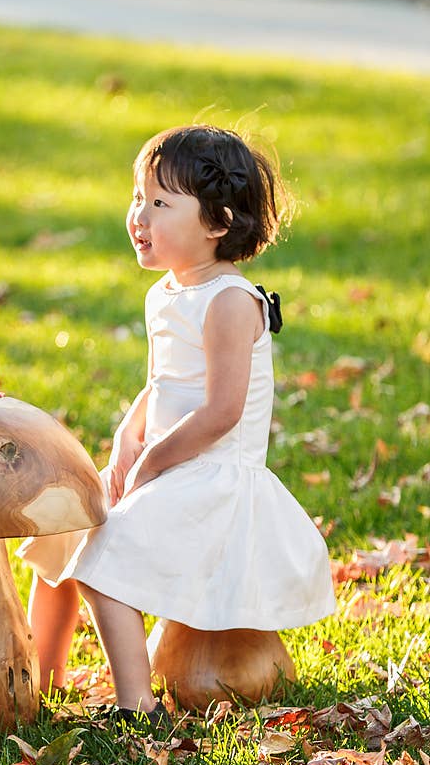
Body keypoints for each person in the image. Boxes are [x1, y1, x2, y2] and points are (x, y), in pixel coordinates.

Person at [18, 124, 335, 727]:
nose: (139, 215)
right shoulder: (167, 293)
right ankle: (42, 680)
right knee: (64, 532)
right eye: (138, 197)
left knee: (105, 558)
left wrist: (153, 461)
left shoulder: (229, 302)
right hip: (166, 463)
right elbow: (163, 382)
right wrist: (126, 438)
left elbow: (222, 410)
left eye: (160, 203)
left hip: (213, 478)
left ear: (217, 223)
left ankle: (137, 708)